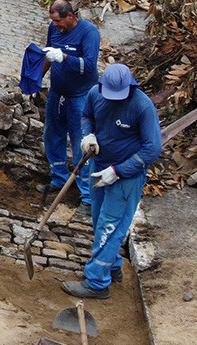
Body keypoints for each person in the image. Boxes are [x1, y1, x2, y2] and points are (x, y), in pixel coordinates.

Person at [62, 63, 161, 299]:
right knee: (99, 220)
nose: (115, 100)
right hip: (98, 166)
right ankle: (113, 265)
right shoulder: (95, 93)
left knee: (110, 227)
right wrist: (88, 136)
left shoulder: (142, 107)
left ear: (130, 87)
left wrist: (119, 171)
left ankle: (97, 282)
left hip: (126, 177)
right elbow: (87, 116)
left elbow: (153, 148)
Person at [42, 0, 100, 212]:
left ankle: (87, 196)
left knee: (80, 142)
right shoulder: (53, 28)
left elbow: (90, 66)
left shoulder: (89, 32)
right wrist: (36, 78)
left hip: (80, 96)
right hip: (58, 93)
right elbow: (49, 55)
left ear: (70, 16)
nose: (56, 25)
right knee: (52, 134)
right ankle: (58, 178)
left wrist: (64, 56)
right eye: (53, 21)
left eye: (58, 21)